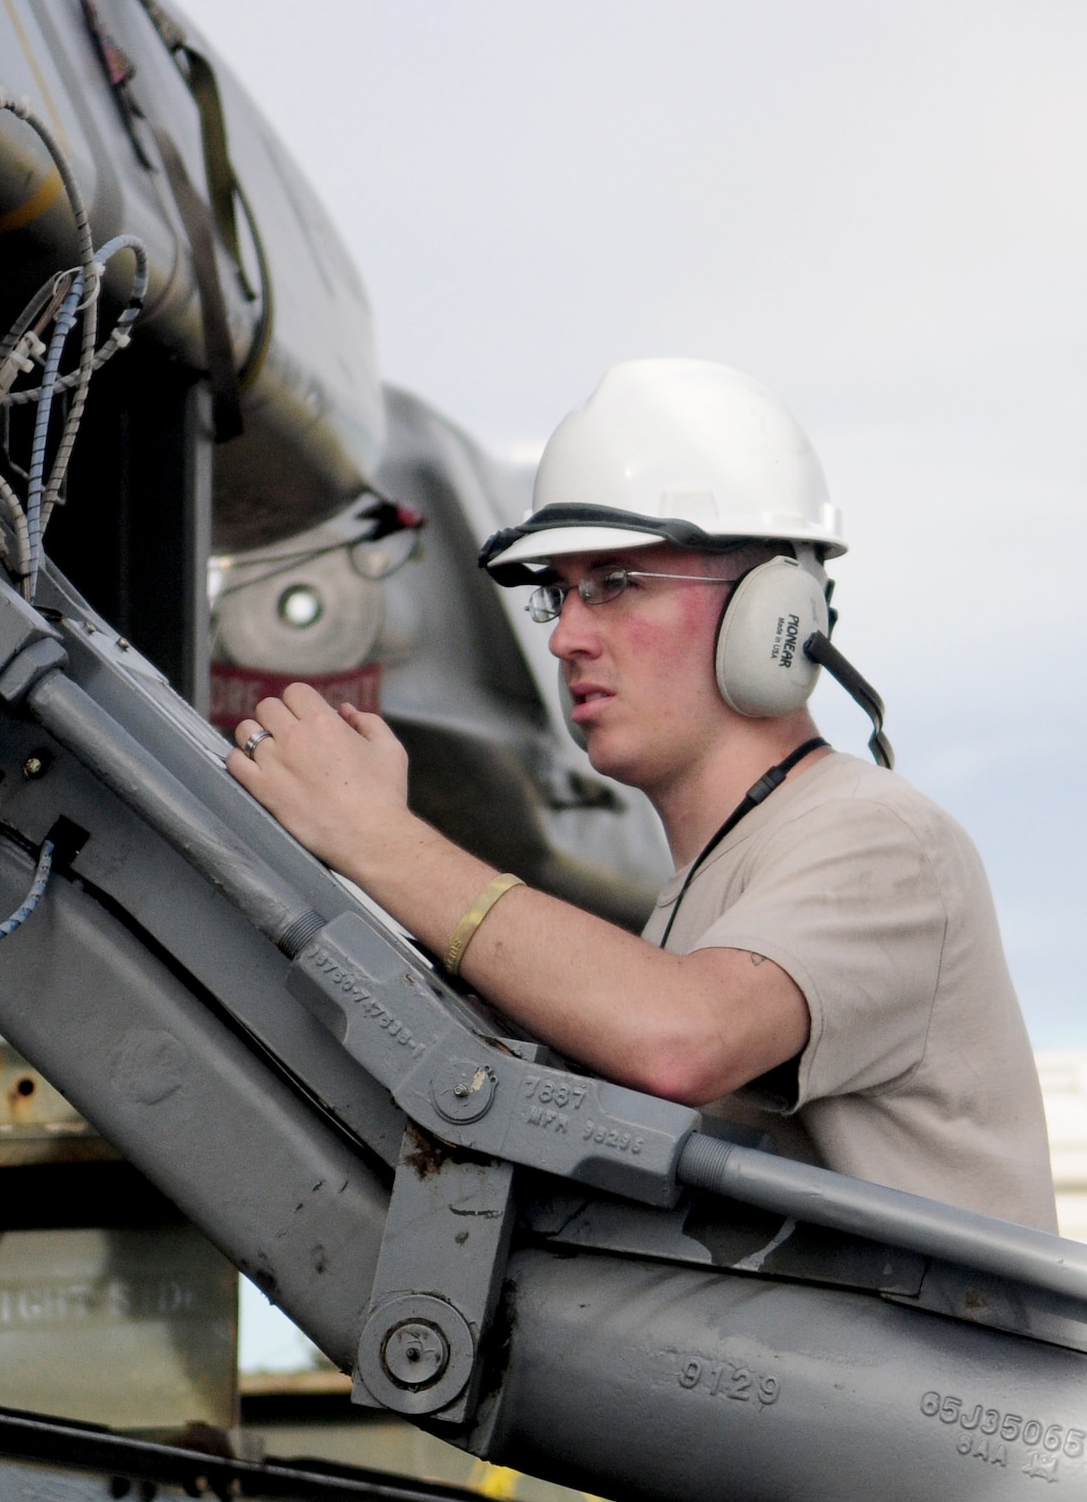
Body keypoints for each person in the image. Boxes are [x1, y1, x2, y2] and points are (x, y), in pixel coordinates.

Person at [229, 357, 1054, 1233]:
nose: (568, 637)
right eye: (561, 595)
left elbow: (681, 1038)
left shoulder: (881, 838)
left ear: (776, 613)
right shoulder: (703, 898)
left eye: (617, 584)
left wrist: (378, 838)